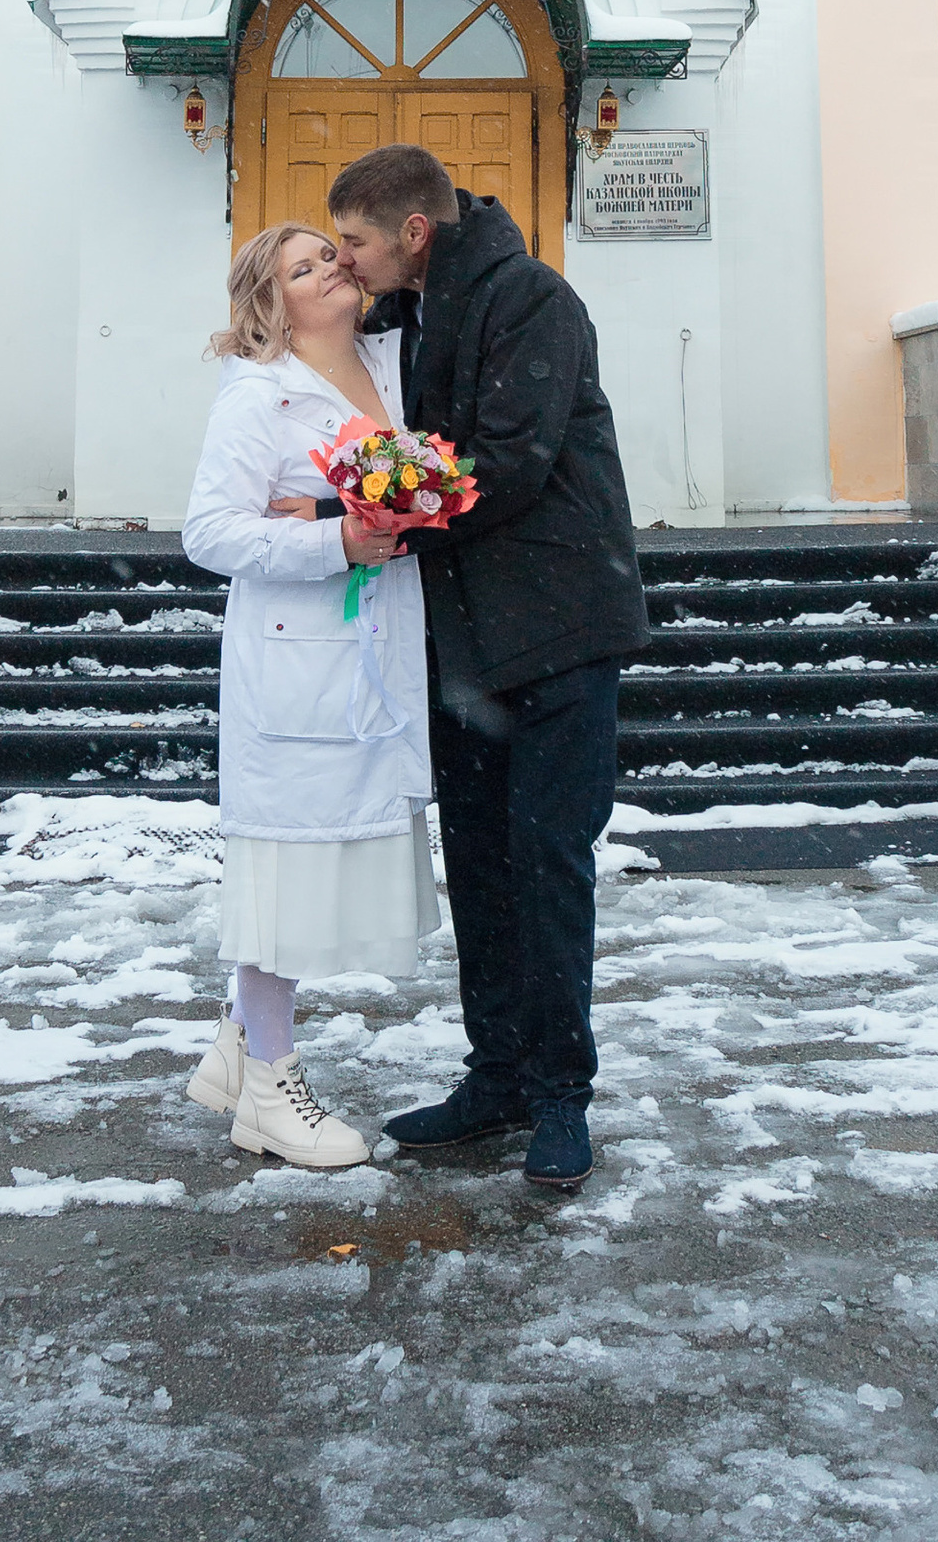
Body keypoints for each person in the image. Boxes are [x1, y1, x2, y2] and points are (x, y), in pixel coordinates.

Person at [329, 141, 648, 1194]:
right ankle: (498, 1076)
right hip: (463, 637)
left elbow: (508, 462)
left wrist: (368, 511)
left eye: (355, 240)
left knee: (547, 862)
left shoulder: (532, 300)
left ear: (415, 232)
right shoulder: (401, 316)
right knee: (477, 863)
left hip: (558, 627)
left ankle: (560, 1096)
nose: (345, 259)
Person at [179, 219, 440, 1167]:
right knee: (282, 881)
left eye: (329, 253)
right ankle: (270, 1093)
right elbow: (210, 532)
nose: (329, 266)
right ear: (272, 302)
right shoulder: (259, 396)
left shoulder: (391, 362)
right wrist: (333, 541)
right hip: (296, 668)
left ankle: (240, 1042)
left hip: (375, 655)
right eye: (302, 266)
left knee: (322, 871)